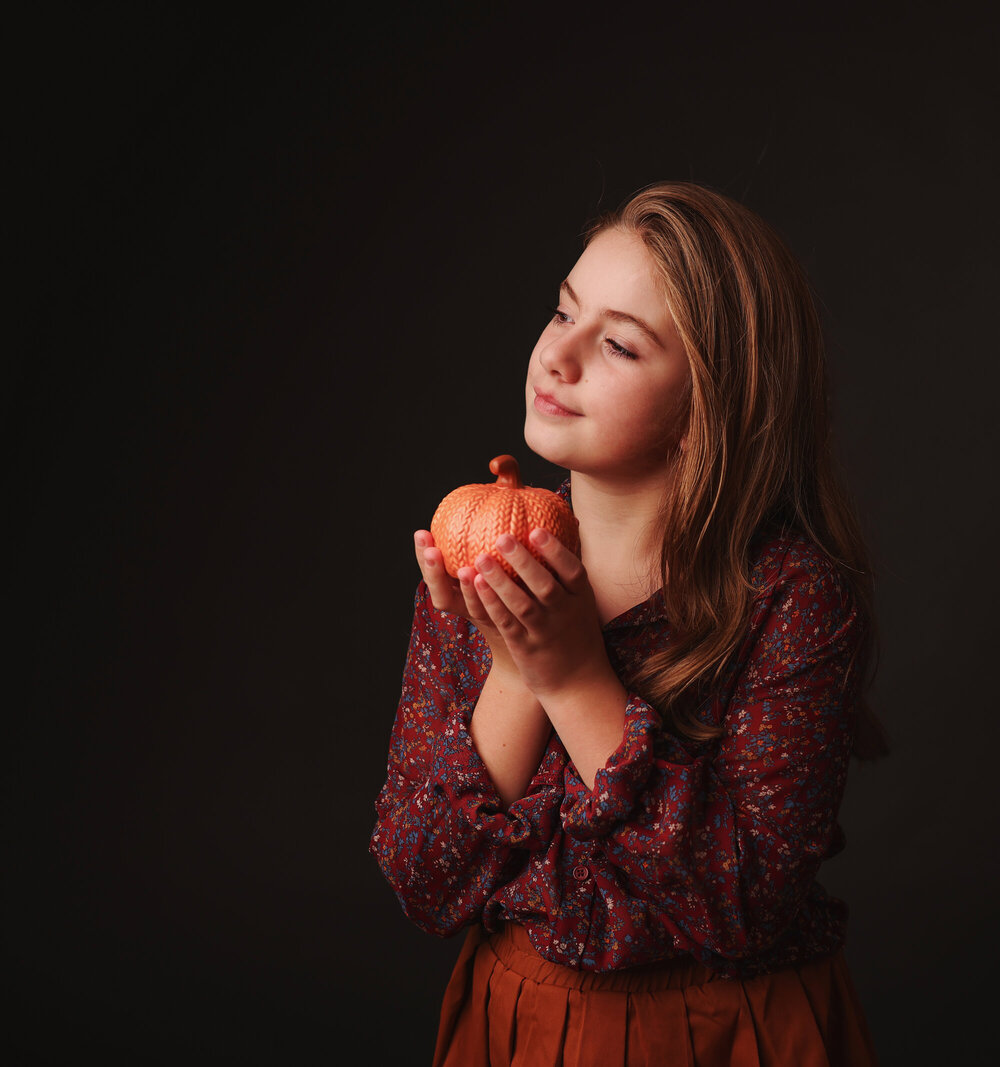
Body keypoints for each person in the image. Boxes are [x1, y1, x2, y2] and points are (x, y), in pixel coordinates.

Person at [370, 181, 888, 1066]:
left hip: (729, 1030)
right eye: (560, 312)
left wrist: (574, 677)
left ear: (715, 404)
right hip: (521, 1024)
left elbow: (744, 905)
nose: (556, 357)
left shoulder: (790, 593)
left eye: (616, 343)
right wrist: (515, 666)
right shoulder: (479, 560)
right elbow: (426, 878)